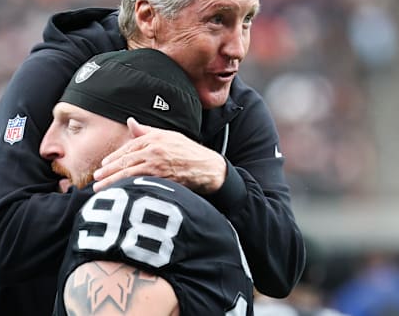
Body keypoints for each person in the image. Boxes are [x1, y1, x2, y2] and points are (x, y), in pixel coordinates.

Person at [0, 0, 305, 315]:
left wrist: (219, 176)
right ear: (148, 16)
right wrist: (140, 186)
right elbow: (7, 241)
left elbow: (282, 269)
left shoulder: (238, 111)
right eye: (217, 20)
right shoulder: (63, 74)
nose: (238, 47)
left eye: (247, 20)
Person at [42, 49, 253, 315]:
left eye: (74, 126)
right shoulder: (200, 217)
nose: (47, 146)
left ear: (140, 137)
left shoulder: (129, 207)